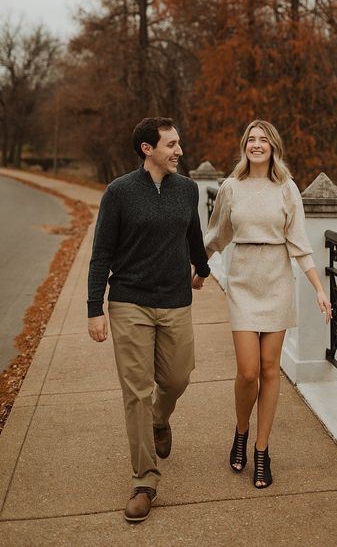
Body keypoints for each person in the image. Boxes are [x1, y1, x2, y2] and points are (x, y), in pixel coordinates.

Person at [87, 117, 210, 523]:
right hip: (130, 303)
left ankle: (161, 419)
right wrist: (94, 308)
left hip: (175, 300)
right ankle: (145, 481)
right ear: (147, 149)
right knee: (136, 391)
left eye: (179, 144)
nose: (179, 151)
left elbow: (193, 236)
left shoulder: (187, 189)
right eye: (171, 145)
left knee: (177, 378)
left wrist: (203, 269)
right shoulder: (119, 192)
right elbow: (101, 252)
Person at [205, 119, 332, 489]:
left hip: (277, 280)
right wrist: (198, 267)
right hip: (243, 280)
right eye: (251, 139)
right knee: (247, 371)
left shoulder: (287, 188)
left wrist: (319, 289)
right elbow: (218, 232)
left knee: (269, 369)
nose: (256, 145)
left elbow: (300, 244)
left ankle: (262, 451)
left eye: (263, 140)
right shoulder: (231, 187)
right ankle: (241, 432)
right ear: (244, 146)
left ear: (273, 147)